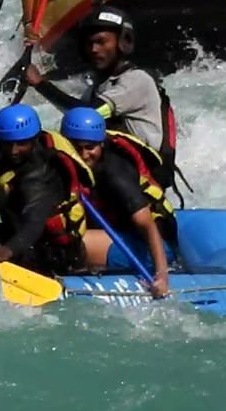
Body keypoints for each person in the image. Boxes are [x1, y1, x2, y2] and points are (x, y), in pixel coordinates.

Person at [24, 6, 178, 189]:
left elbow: (89, 114)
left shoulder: (136, 81)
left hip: (138, 183)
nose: (94, 49)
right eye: (89, 44)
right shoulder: (97, 89)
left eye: (101, 42)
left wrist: (41, 84)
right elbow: (76, 117)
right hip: (115, 179)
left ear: (123, 42)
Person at [0, 104, 94, 276]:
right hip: (15, 233)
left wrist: (7, 250)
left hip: (48, 252)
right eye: (8, 144)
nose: (14, 151)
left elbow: (35, 222)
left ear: (34, 139)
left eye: (22, 144)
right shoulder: (3, 148)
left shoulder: (40, 174)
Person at [60, 107, 173, 298]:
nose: (84, 155)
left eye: (90, 147)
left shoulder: (115, 174)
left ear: (101, 144)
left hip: (148, 247)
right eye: (77, 148)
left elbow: (147, 225)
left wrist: (161, 276)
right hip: (115, 234)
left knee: (70, 242)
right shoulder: (63, 160)